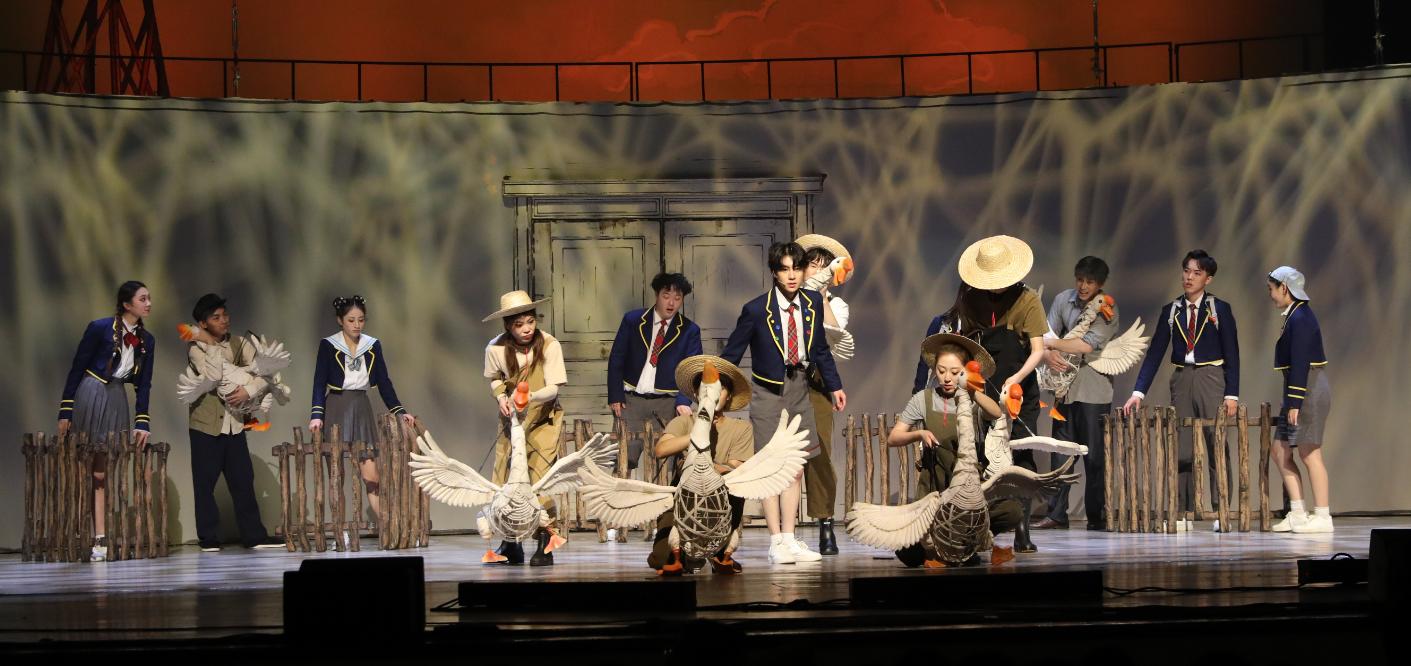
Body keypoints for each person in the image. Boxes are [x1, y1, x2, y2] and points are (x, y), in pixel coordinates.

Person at [721, 241, 846, 565]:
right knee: (770, 467)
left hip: (800, 388)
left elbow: (820, 349)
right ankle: (775, 540)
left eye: (797, 269)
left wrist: (834, 385)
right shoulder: (756, 309)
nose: (792, 276)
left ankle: (790, 539)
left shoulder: (811, 302)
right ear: (774, 273)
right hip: (768, 393)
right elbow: (733, 352)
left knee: (795, 466)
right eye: (785, 269)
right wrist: (719, 387)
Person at [931, 235, 1048, 552]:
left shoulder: (1027, 300)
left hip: (1018, 388)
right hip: (983, 386)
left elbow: (1038, 350)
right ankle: (985, 526)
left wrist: (1016, 378)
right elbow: (966, 342)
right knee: (984, 454)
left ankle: (1022, 528)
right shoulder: (971, 298)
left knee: (1021, 455)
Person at [1123, 250, 1239, 530]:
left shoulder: (1219, 309)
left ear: (1208, 279)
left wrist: (1232, 394)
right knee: (1182, 446)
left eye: (1197, 273)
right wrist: (1138, 392)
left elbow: (1232, 353)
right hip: (1182, 378)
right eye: (1186, 271)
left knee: (1216, 442)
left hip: (1211, 376)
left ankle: (1220, 510)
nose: (1189, 277)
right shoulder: (1172, 310)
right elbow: (1155, 354)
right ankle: (1183, 512)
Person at [888, 333, 1018, 566]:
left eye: (955, 372)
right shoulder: (923, 399)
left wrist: (972, 391)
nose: (947, 378)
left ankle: (967, 544)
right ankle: (949, 550)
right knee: (908, 552)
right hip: (934, 492)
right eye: (941, 371)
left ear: (965, 372)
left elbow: (996, 413)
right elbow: (894, 437)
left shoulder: (973, 400)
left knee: (1012, 511)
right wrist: (919, 434)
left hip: (969, 494)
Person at [56, 280, 156, 562]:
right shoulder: (100, 328)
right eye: (143, 299)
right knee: (86, 466)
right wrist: (66, 410)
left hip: (116, 397)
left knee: (105, 469)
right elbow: (77, 367)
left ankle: (101, 537)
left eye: (149, 298)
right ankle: (84, 534)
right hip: (92, 391)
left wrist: (142, 421)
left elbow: (144, 384)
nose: (148, 303)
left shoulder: (147, 341)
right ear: (126, 304)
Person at [182, 294, 284, 551]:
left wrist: (249, 391)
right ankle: (208, 538)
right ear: (203, 324)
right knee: (204, 483)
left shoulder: (240, 342)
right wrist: (211, 344)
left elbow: (267, 373)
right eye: (216, 317)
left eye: (225, 315)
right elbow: (215, 377)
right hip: (206, 425)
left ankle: (254, 536)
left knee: (243, 480)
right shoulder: (197, 348)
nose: (224, 320)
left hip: (235, 424)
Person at [308, 295, 414, 537]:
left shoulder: (372, 345)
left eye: (361, 320)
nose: (356, 325)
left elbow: (384, 382)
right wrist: (316, 414)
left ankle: (389, 527)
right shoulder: (329, 345)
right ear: (340, 320)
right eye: (351, 320)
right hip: (337, 406)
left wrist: (399, 411)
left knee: (372, 475)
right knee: (336, 475)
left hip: (361, 406)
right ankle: (340, 531)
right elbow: (319, 382)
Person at [648, 355, 755, 574]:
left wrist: (709, 470)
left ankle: (719, 553)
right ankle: (686, 556)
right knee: (661, 558)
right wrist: (699, 430)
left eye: (720, 389)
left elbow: (736, 466)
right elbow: (661, 449)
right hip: (684, 497)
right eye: (704, 390)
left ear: (728, 395)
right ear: (697, 394)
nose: (712, 395)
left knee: (735, 491)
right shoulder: (684, 422)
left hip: (721, 498)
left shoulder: (741, 428)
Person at [482, 290, 568, 565]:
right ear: (508, 326)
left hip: (542, 419)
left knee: (539, 480)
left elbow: (554, 387)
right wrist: (501, 397)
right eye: (519, 325)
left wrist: (531, 396)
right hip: (513, 420)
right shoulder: (495, 348)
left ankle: (545, 542)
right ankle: (511, 542)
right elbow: (495, 379)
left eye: (530, 322)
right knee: (506, 479)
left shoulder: (550, 344)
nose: (527, 329)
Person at [1035, 257, 1120, 531]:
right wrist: (1048, 351)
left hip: (1093, 392)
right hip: (1064, 391)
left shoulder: (1107, 309)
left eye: (1090, 282)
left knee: (1094, 458)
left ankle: (1096, 516)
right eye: (1080, 280)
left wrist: (1052, 344)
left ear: (1100, 284)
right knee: (1060, 455)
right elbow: (1045, 332)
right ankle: (1057, 514)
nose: (1083, 286)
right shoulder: (1063, 300)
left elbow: (1085, 345)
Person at [607, 273, 703, 470]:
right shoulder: (633, 320)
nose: (671, 303)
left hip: (667, 403)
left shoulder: (689, 330)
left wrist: (683, 401)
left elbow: (692, 370)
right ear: (657, 295)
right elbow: (617, 358)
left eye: (677, 298)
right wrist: (615, 394)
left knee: (664, 465)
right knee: (623, 460)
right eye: (666, 296)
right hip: (631, 401)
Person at [796, 233, 854, 555]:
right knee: (786, 456)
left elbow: (834, 334)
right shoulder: (788, 302)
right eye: (812, 265)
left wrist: (822, 299)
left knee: (819, 453)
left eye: (823, 266)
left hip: (818, 382)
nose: (817, 271)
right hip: (787, 380)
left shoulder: (837, 304)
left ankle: (825, 523)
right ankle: (785, 530)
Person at [1265, 267, 1334, 534]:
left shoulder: (1302, 317)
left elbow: (1301, 361)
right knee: (1280, 450)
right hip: (1296, 390)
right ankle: (1297, 513)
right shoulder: (1294, 315)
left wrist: (1295, 402)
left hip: (1307, 390)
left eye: (1272, 289)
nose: (1270, 294)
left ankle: (1323, 515)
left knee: (1309, 452)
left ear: (1284, 288)